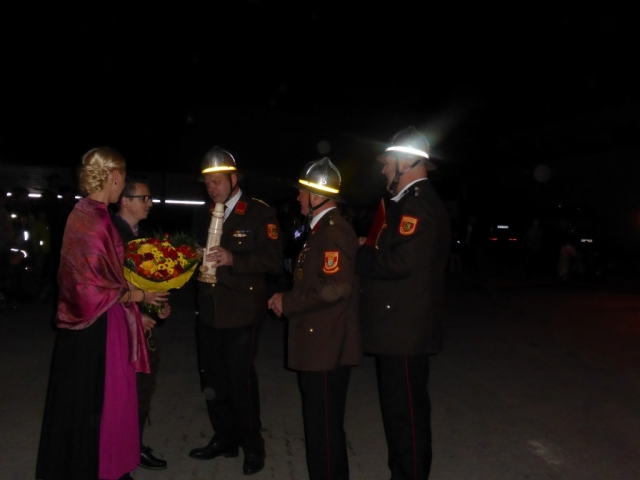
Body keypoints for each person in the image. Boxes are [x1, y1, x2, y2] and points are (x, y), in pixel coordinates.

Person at [35, 147, 169, 480]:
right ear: (114, 176)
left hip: (102, 320)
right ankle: (96, 466)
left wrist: (139, 298)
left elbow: (109, 273)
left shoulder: (90, 213)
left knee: (102, 399)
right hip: (96, 325)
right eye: (122, 178)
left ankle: (104, 464)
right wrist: (140, 295)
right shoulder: (93, 220)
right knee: (101, 401)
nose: (121, 185)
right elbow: (90, 286)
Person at [355, 126, 451, 480]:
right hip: (398, 329)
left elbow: (399, 262)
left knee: (406, 415)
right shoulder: (408, 202)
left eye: (387, 162)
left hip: (405, 331)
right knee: (398, 412)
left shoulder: (417, 204)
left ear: (406, 162)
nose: (383, 169)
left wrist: (361, 254)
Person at [189, 146, 282, 476]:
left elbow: (273, 259)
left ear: (233, 179)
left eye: (217, 181)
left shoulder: (257, 213)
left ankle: (253, 445)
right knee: (212, 379)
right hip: (209, 310)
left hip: (242, 311)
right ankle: (225, 438)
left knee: (239, 380)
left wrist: (233, 258)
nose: (212, 188)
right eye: (208, 183)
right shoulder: (203, 213)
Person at [267, 157, 361, 480]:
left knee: (323, 429)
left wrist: (289, 301)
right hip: (321, 343)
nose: (298, 198)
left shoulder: (332, 231)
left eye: (303, 192)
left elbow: (335, 287)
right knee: (323, 427)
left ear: (317, 195)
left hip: (325, 346)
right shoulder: (322, 228)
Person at [111, 178, 170, 471]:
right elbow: (109, 288)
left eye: (150, 198)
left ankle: (134, 446)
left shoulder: (140, 235)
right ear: (125, 201)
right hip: (121, 328)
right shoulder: (112, 234)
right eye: (144, 198)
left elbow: (146, 279)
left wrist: (158, 305)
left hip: (141, 325)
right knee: (126, 393)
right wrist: (135, 313)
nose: (150, 203)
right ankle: (123, 451)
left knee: (143, 389)